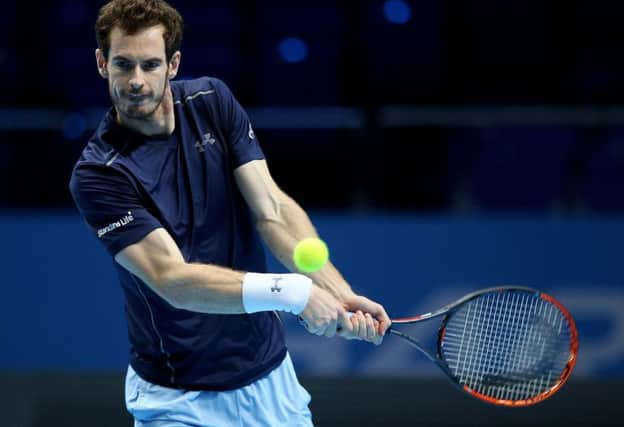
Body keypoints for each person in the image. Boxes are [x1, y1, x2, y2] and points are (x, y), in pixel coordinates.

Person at [69, 1, 391, 425]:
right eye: (123, 65)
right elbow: (173, 280)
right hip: (178, 400)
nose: (136, 81)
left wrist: (333, 287)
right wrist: (295, 294)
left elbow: (272, 211)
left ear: (173, 64)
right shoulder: (99, 173)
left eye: (150, 65)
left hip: (271, 382)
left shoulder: (211, 101)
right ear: (101, 63)